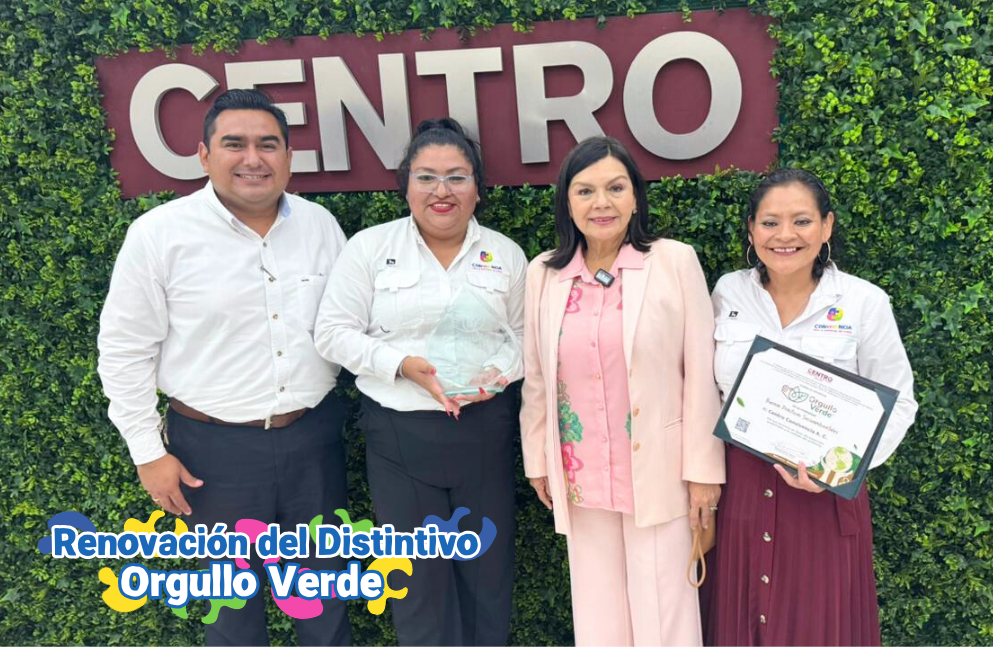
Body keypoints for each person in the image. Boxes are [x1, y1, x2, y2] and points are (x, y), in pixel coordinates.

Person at [97, 89, 352, 645]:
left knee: (324, 601)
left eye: (268, 144)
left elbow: (349, 325)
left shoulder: (320, 226)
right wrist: (147, 452)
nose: (252, 159)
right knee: (232, 613)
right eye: (234, 144)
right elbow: (124, 349)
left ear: (289, 156)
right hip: (212, 453)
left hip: (312, 441)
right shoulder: (160, 235)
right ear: (204, 155)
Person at [313, 118, 526, 646]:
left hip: (483, 431)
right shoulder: (369, 248)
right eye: (426, 177)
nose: (441, 191)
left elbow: (528, 337)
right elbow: (332, 333)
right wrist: (399, 364)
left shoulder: (506, 255)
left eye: (456, 177)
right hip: (399, 438)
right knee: (418, 587)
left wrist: (500, 372)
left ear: (477, 187)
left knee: (487, 580)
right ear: (406, 185)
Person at [521, 136, 725, 646]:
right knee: (599, 618)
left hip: (659, 471)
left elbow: (701, 372)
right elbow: (538, 376)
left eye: (615, 188)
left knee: (664, 616)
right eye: (585, 191)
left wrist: (704, 473)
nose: (601, 203)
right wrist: (538, 459)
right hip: (581, 474)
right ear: (568, 202)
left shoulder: (673, 262)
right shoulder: (544, 274)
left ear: (635, 196)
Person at [703, 168, 919, 645]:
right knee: (741, 622)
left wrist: (839, 471)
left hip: (823, 497)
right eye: (770, 222)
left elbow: (899, 401)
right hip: (741, 491)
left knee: (817, 627)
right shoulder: (727, 293)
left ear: (827, 227)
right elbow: (705, 391)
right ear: (751, 230)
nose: (785, 235)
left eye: (801, 221)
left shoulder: (863, 302)